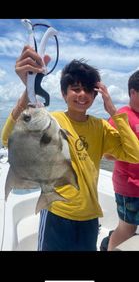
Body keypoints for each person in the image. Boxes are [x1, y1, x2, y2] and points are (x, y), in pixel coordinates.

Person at [2, 45, 139, 251]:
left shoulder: (100, 127)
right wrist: (27, 90)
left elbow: (134, 154)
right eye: (75, 88)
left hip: (90, 216)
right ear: (64, 93)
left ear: (95, 96)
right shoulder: (52, 120)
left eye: (87, 89)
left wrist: (112, 109)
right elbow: (7, 140)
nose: (82, 94)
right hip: (57, 211)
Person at [104, 70, 139, 251]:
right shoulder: (121, 117)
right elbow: (107, 154)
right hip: (129, 188)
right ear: (133, 92)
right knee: (127, 229)